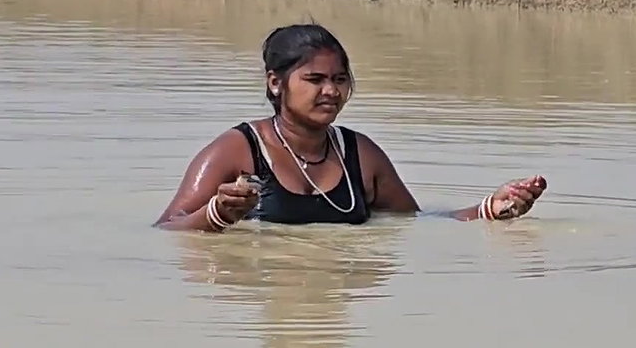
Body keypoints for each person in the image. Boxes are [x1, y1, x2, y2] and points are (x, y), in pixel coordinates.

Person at [154, 23, 548, 231]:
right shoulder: (238, 149)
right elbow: (167, 230)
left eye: (340, 80)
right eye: (315, 80)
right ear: (275, 83)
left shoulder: (360, 154)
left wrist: (490, 209)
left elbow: (414, 224)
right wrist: (217, 214)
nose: (331, 91)